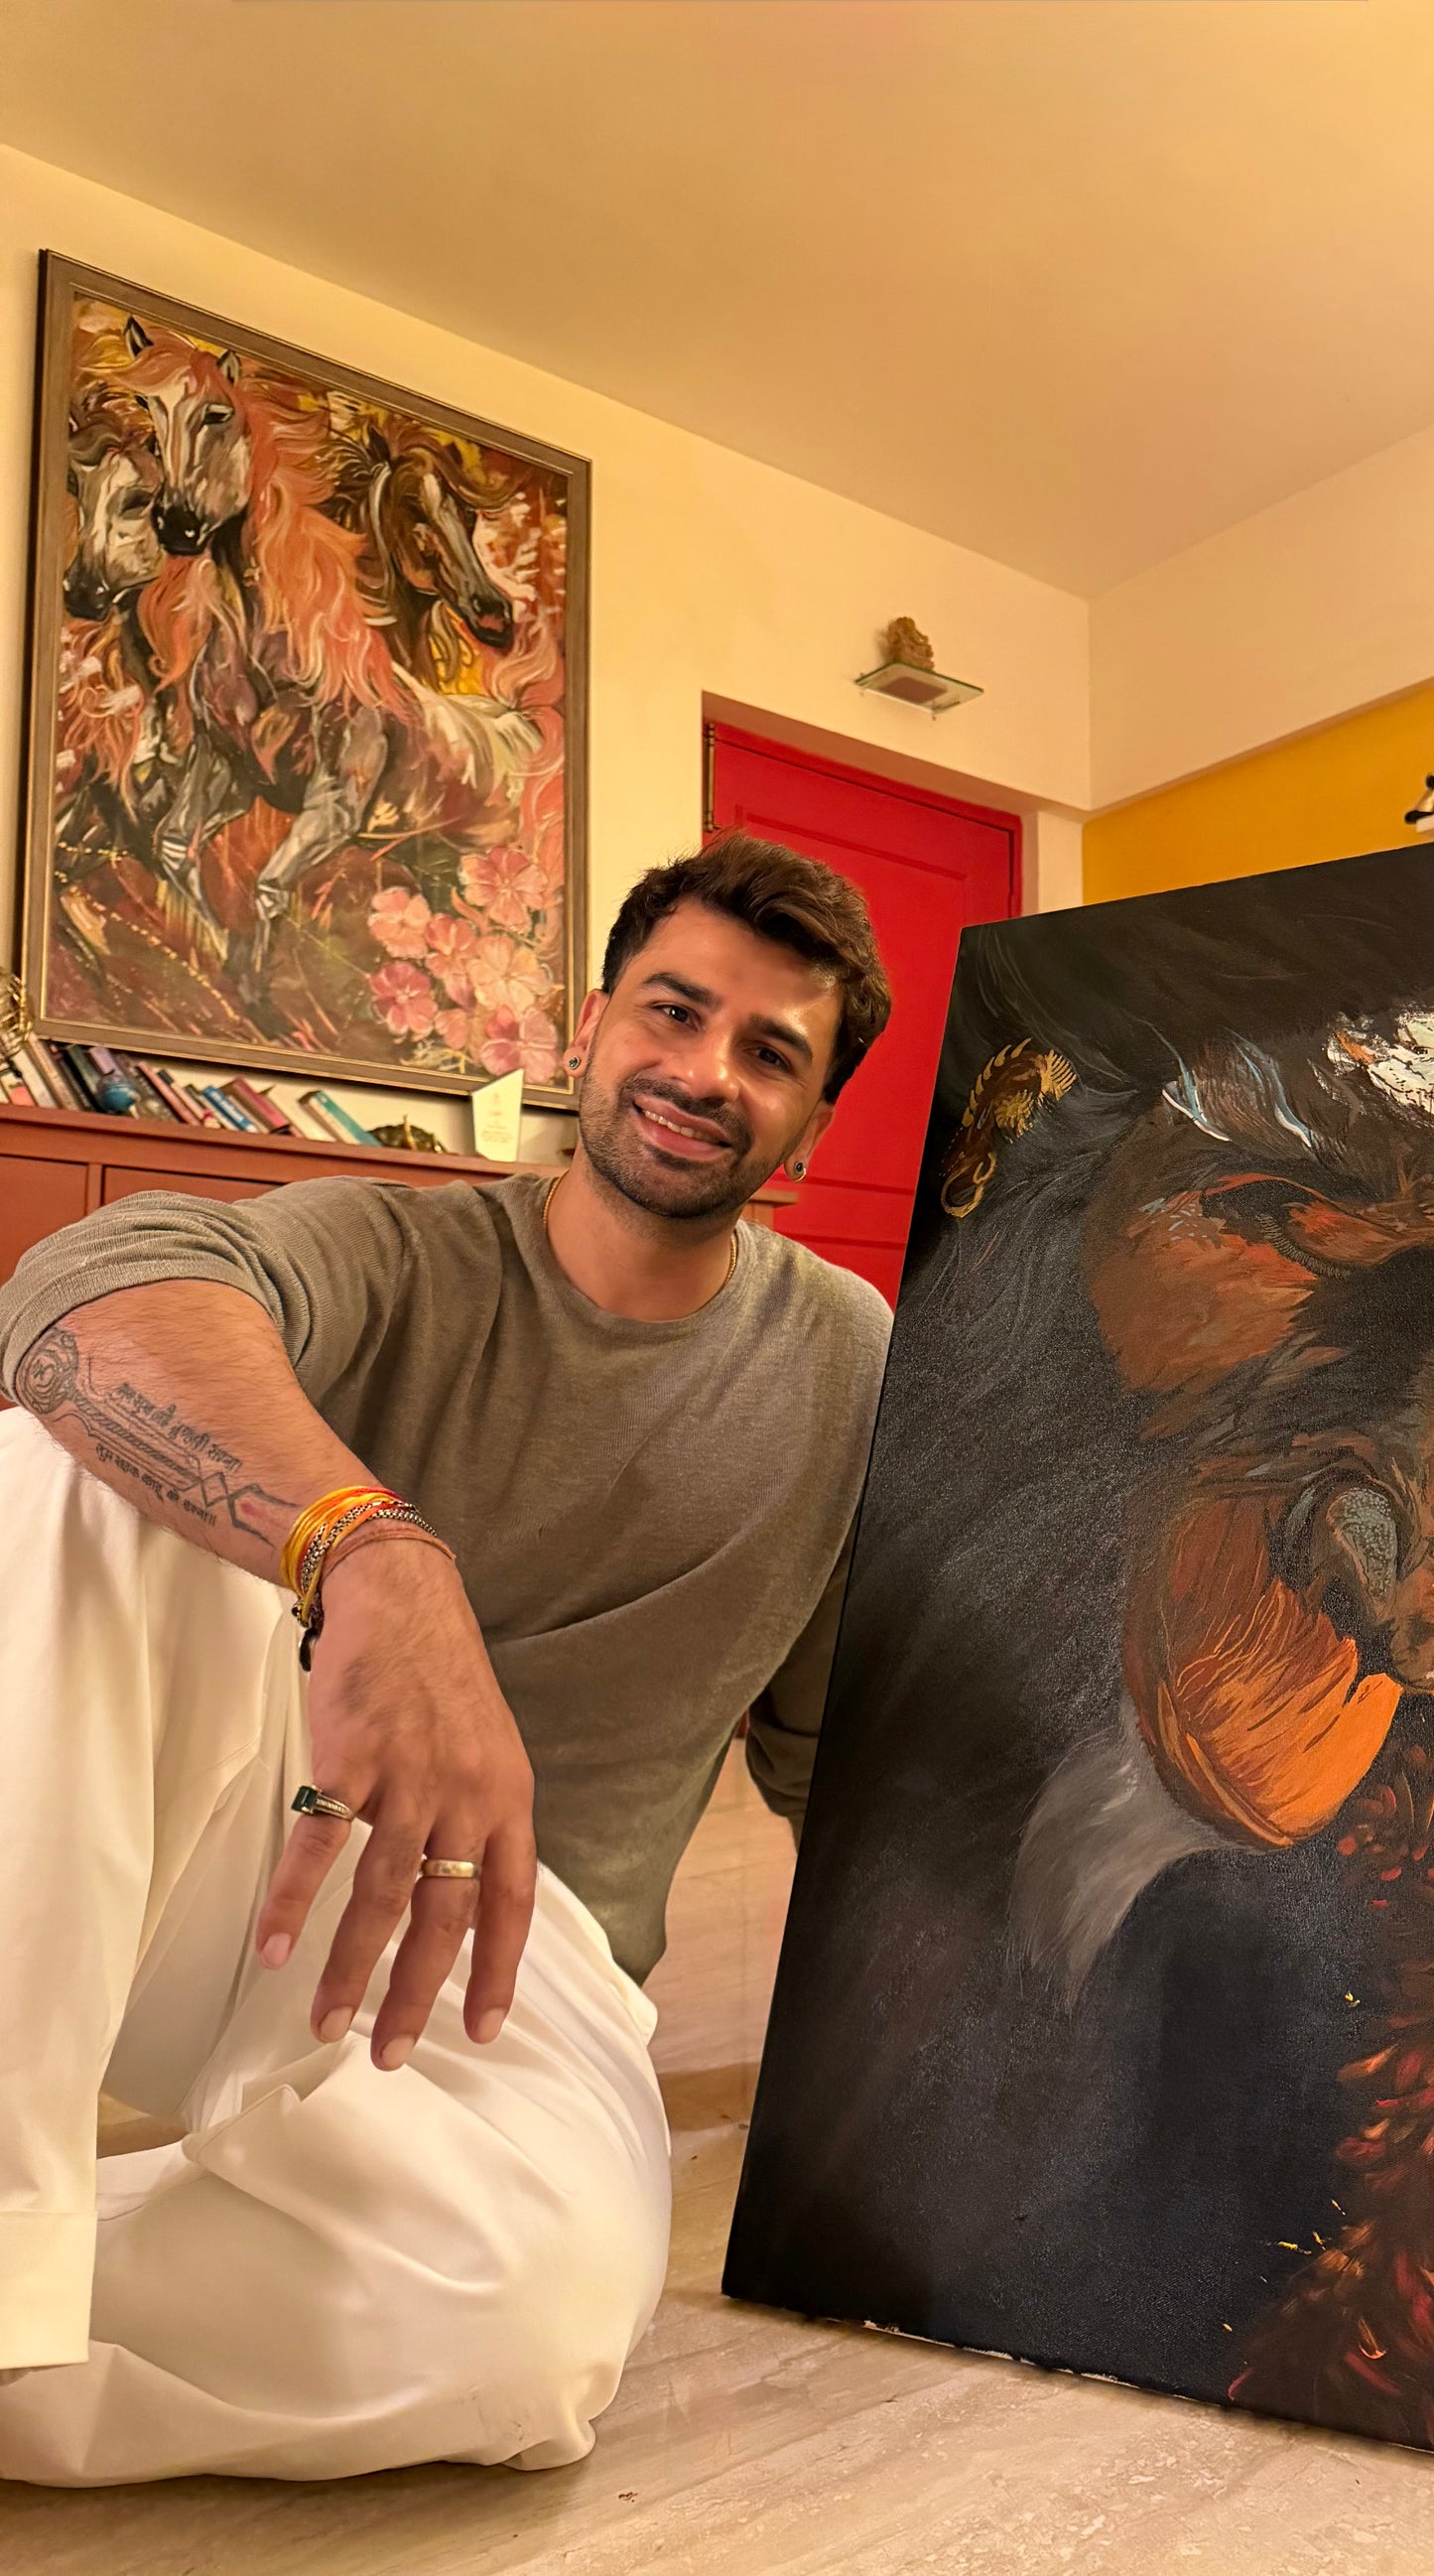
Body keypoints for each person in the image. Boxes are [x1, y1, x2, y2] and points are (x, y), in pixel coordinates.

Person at [0, 829, 893, 2484]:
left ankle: (42, 2309)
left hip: (517, 1959)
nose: (705, 1073)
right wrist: (373, 1553)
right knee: (66, 1459)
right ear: (590, 1026)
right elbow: (80, 1285)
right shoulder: (400, 1249)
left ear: (815, 1120)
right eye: (672, 1012)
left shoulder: (852, 1364)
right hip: (260, 1852)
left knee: (528, 2334)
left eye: (770, 1053)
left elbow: (842, 1755)